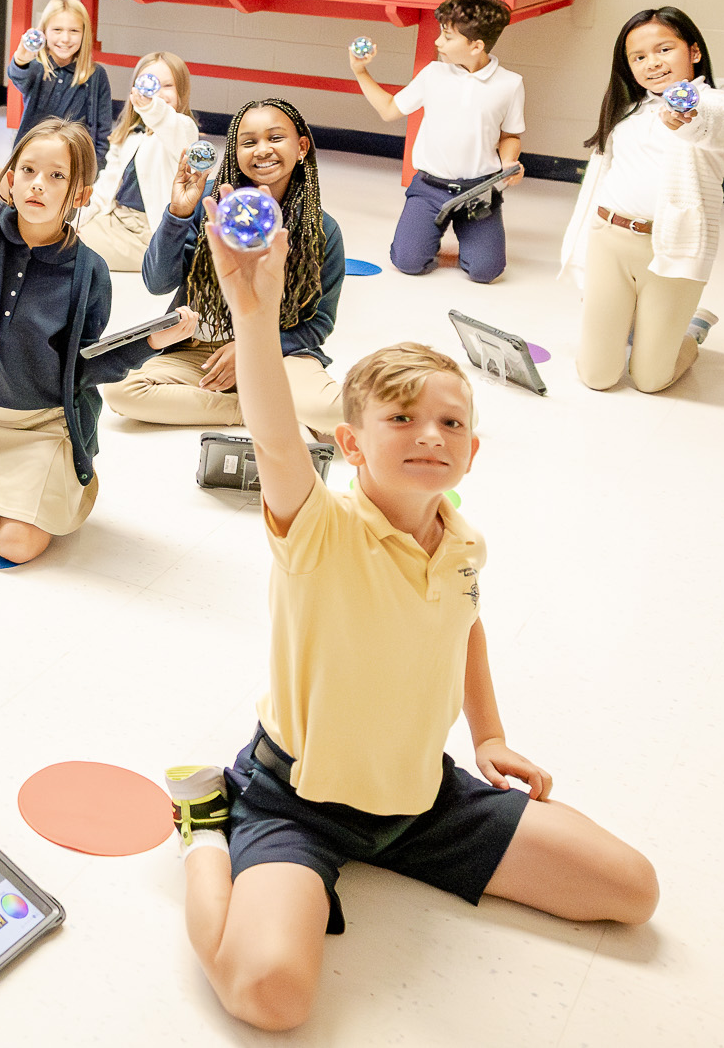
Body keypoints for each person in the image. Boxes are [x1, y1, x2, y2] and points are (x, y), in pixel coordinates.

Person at [164, 214, 657, 1031]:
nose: (430, 435)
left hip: (419, 797)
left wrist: (490, 736)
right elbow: (277, 437)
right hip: (296, 802)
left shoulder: (463, 544)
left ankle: (381, 838)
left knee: (631, 889)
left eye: (451, 423)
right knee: (270, 998)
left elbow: (463, 625)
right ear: (352, 445)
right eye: (401, 419)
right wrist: (253, 312)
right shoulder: (318, 528)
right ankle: (202, 831)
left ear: (473, 452)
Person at [0, 115, 197, 565]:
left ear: (79, 195)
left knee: (14, 546)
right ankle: (4, 496)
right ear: (11, 179)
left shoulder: (89, 271)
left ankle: (71, 486)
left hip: (46, 429)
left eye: (57, 176)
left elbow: (85, 367)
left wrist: (149, 345)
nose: (38, 185)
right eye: (29, 171)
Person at [106, 97, 344, 441]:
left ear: (301, 146)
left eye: (275, 138)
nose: (262, 149)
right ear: (236, 152)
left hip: (279, 352)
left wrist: (251, 349)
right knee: (119, 389)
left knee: (335, 413)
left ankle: (264, 397)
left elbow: (319, 322)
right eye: (249, 142)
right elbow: (158, 283)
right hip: (197, 353)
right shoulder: (210, 211)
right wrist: (178, 213)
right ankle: (252, 409)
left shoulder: (322, 230)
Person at [559, 6, 724, 393]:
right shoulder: (626, 109)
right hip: (610, 239)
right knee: (598, 376)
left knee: (651, 380)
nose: (651, 63)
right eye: (638, 57)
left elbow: (703, 120)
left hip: (671, 248)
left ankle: (691, 330)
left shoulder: (715, 105)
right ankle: (636, 323)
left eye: (664, 50)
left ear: (693, 52)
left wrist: (683, 111)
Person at [350, 0, 525, 283]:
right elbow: (390, 110)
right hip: (430, 187)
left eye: (447, 36)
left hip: (479, 190)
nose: (437, 42)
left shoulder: (510, 84)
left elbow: (510, 135)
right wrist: (360, 71)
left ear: (476, 45)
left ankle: (467, 232)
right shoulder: (433, 74)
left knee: (486, 272)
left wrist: (509, 162)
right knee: (407, 262)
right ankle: (427, 231)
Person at [0, 0, 111, 197]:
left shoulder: (96, 75)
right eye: (57, 30)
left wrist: (92, 172)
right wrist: (21, 58)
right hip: (31, 161)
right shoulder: (37, 69)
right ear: (44, 32)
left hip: (71, 167)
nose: (65, 39)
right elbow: (18, 75)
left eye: (74, 31)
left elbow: (102, 131)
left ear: (85, 34)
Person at [82, 50, 198, 274]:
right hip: (116, 219)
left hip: (148, 234)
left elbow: (168, 123)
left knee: (72, 246)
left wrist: (150, 107)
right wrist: (79, 216)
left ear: (181, 92)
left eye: (167, 86)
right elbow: (107, 184)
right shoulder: (130, 135)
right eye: (150, 84)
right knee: (62, 230)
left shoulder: (183, 130)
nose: (157, 93)